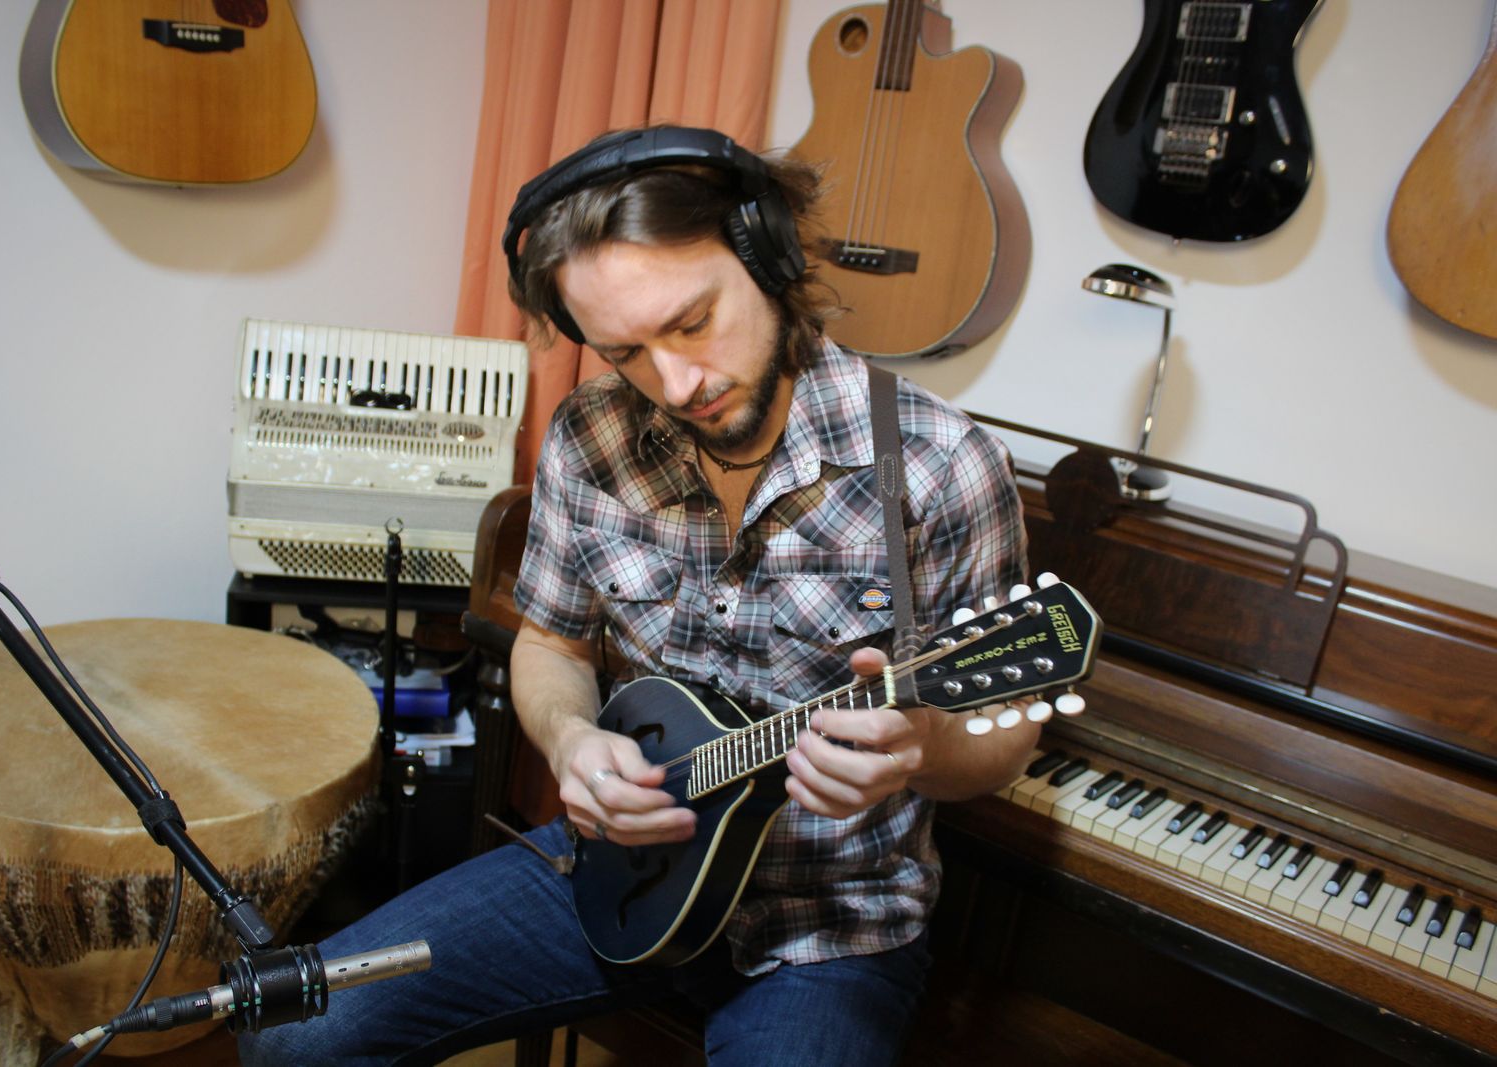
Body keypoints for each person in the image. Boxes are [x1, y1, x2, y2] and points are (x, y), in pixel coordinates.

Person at [239, 125, 1035, 1066]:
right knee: (294, 1032)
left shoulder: (941, 466)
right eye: (627, 353)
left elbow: (1007, 730)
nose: (677, 383)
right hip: (613, 874)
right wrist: (572, 741)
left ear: (768, 255)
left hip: (825, 929)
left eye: (692, 322)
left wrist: (923, 747)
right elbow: (552, 644)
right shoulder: (592, 436)